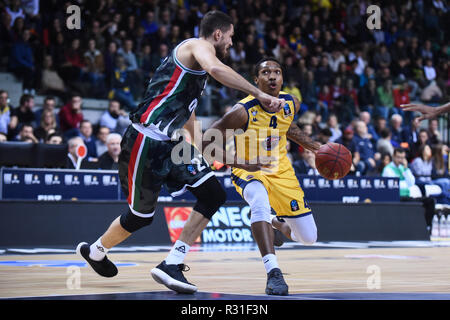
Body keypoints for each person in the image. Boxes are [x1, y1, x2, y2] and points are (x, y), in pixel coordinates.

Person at [76, 11, 286, 295]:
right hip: (145, 139)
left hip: (172, 145)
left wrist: (240, 162)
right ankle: (97, 251)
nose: (232, 44)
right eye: (231, 37)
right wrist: (259, 94)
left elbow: (195, 130)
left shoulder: (193, 75)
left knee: (213, 193)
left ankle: (172, 263)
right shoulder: (197, 46)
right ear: (217, 34)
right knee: (139, 217)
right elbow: (216, 69)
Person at [203, 57, 321, 296]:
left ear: (282, 79)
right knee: (259, 201)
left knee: (308, 237)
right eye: (266, 72)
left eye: (277, 72)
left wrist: (316, 147)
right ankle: (273, 272)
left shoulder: (291, 103)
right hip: (248, 170)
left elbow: (288, 127)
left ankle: (275, 223)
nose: (272, 76)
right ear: (255, 80)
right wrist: (245, 163)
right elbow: (206, 144)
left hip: (282, 171)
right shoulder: (242, 111)